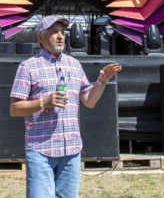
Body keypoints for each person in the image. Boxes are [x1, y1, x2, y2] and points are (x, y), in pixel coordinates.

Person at [10, 15, 122, 198]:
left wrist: (101, 81)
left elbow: (89, 100)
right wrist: (42, 103)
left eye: (62, 32)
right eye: (54, 32)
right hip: (41, 151)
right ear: (40, 37)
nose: (60, 36)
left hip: (71, 151)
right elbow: (14, 109)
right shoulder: (28, 67)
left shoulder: (74, 64)